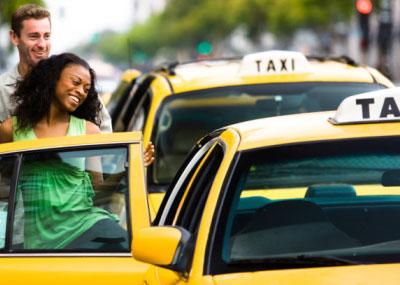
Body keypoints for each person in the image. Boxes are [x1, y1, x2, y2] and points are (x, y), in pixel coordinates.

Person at [0, 53, 136, 250]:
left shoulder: (89, 131)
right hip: (37, 241)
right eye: (76, 82)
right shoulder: (11, 129)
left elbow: (99, 191)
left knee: (134, 256)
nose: (81, 91)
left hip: (87, 226)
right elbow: (4, 176)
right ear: (53, 79)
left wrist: (133, 165)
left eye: (86, 89)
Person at [0, 4, 113, 133]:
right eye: (34, 36)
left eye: (46, 36)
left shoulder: (74, 83)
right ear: (14, 37)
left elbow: (105, 134)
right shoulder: (2, 89)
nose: (42, 44)